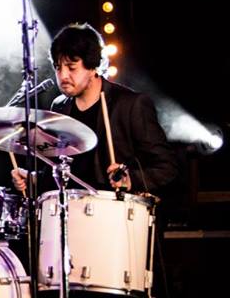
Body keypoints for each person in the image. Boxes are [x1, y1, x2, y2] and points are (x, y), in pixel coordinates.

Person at [11, 23, 177, 196]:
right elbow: (61, 171)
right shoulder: (60, 106)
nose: (63, 76)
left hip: (112, 212)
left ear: (92, 66)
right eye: (58, 67)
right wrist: (34, 178)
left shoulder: (131, 105)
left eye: (71, 67)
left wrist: (130, 179)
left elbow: (167, 167)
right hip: (68, 211)